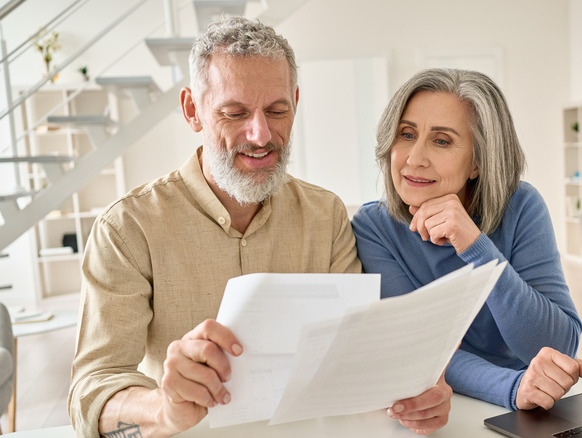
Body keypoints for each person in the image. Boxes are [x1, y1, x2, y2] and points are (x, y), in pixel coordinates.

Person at [68, 17, 450, 438]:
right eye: (234, 113)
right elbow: (92, 391)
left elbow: (355, 357)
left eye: (277, 111)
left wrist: (414, 389)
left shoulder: (326, 216)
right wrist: (163, 409)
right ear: (192, 110)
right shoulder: (127, 228)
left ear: (296, 103)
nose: (261, 134)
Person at [351, 68, 582, 412]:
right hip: (441, 405)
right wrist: (511, 387)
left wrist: (476, 247)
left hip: (528, 405)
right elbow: (417, 348)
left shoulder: (522, 206)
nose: (414, 158)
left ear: (478, 161)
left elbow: (558, 345)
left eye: (442, 140)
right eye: (406, 134)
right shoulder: (374, 226)